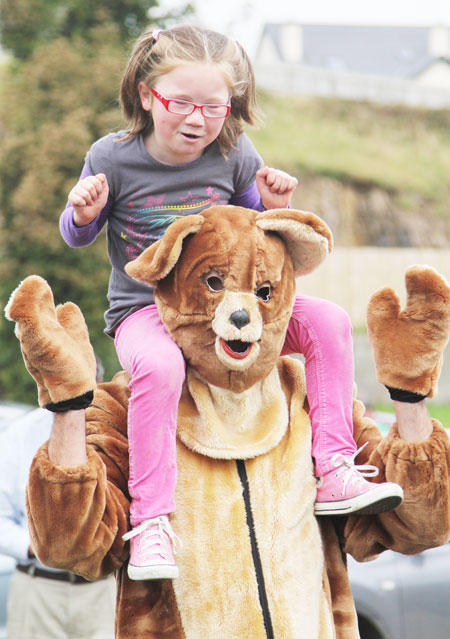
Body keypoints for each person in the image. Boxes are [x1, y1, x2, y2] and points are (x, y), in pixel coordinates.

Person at [59, 24, 402, 582]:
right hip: (146, 314)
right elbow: (76, 236)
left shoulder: (233, 151)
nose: (197, 119)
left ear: (231, 107)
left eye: (214, 107)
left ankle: (336, 466)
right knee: (164, 365)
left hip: (234, 309)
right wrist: (80, 212)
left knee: (329, 320)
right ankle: (151, 522)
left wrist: (273, 204)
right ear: (148, 96)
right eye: (182, 103)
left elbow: (258, 230)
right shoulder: (112, 157)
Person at [0, 405, 116, 639]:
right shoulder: (20, 433)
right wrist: (38, 547)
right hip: (38, 590)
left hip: (102, 592)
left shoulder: (112, 431)